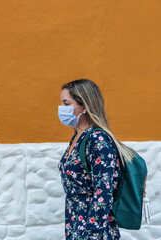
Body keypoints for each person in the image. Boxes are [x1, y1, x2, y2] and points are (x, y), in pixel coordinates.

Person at [57, 79, 135, 240]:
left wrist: (92, 233)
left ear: (84, 106)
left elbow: (103, 194)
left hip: (93, 230)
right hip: (76, 224)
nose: (61, 109)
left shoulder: (97, 139)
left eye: (66, 104)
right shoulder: (78, 137)